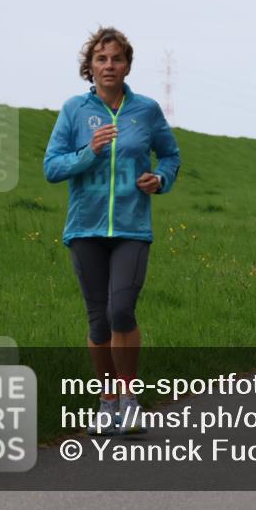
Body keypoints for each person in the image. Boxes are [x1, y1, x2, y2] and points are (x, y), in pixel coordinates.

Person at [44, 27, 181, 435]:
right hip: (85, 228)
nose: (109, 66)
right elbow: (52, 167)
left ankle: (130, 399)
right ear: (89, 67)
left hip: (132, 228)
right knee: (98, 322)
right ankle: (106, 403)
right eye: (101, 59)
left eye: (116, 59)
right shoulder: (73, 110)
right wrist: (91, 151)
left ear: (127, 66)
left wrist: (160, 179)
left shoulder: (147, 110)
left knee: (121, 311)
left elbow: (171, 155)